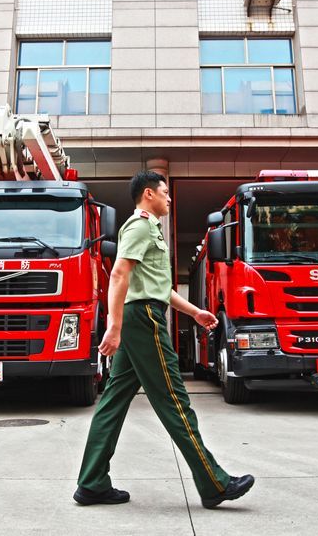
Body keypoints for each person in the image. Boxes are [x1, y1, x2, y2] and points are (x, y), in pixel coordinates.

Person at [74, 170, 255, 509]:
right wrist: (113, 326)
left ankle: (92, 483)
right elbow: (119, 274)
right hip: (143, 320)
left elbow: (159, 287)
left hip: (140, 315)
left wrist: (194, 312)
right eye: (164, 192)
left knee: (113, 400)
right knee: (174, 399)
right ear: (148, 195)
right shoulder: (140, 226)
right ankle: (214, 482)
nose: (170, 198)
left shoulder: (149, 228)